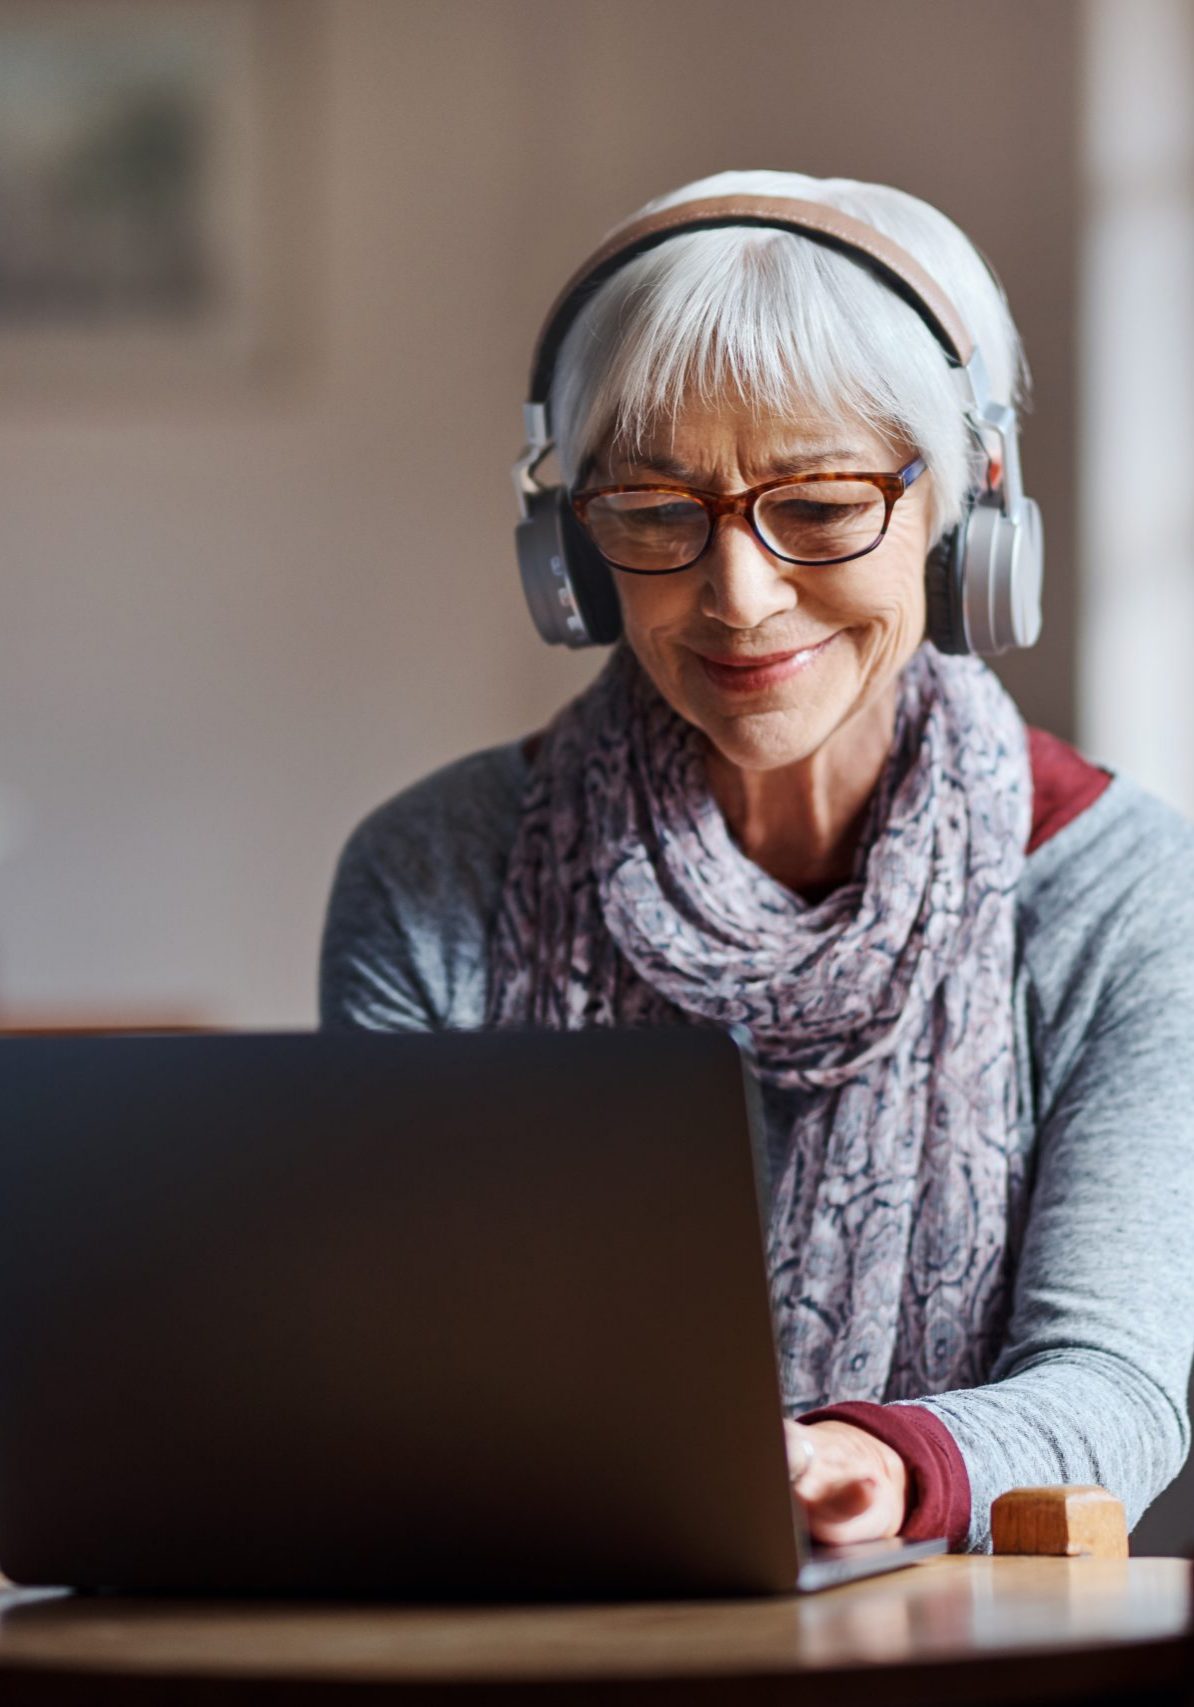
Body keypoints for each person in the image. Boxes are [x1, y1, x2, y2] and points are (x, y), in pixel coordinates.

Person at [320, 169, 1194, 1553]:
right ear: (572, 550)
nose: (737, 596)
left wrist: (884, 1457)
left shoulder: (1121, 888)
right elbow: (383, 1362)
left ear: (964, 510)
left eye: (825, 501)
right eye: (654, 510)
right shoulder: (429, 872)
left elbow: (1118, 1387)